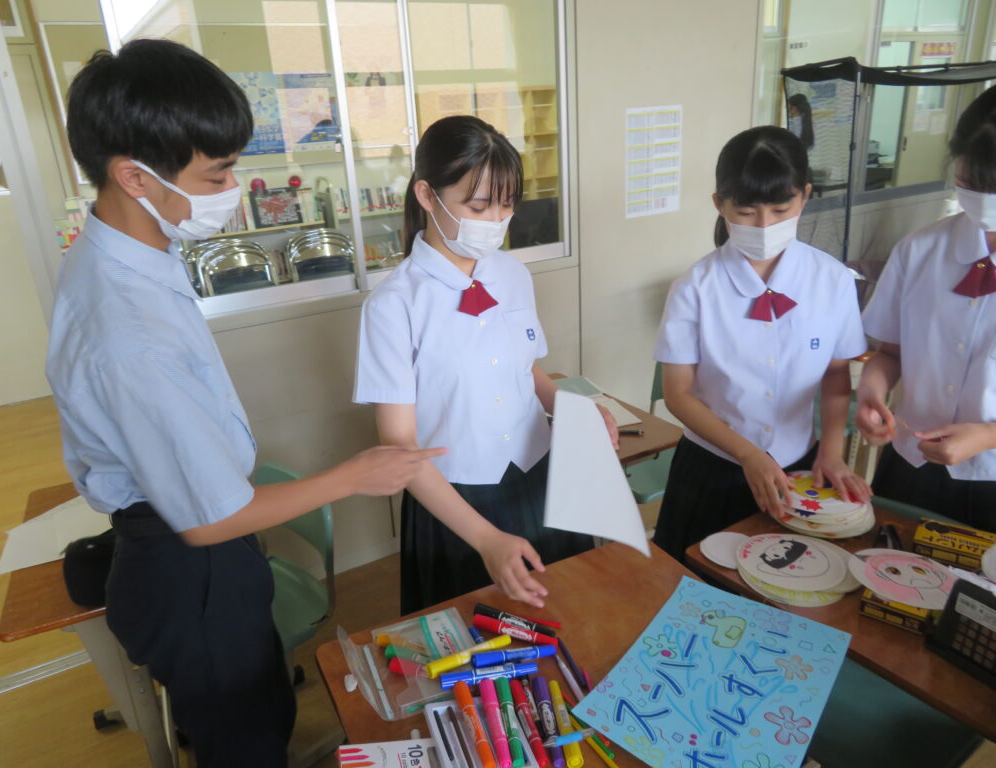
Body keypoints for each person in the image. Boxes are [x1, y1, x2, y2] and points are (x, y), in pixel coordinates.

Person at [48, 39, 442, 766]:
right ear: (134, 176)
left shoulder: (130, 250)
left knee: (258, 710)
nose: (232, 187)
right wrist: (356, 475)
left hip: (201, 544)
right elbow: (210, 519)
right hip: (190, 568)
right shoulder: (126, 331)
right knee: (246, 740)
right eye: (217, 173)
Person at [354, 115, 618, 613]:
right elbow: (399, 444)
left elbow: (527, 371)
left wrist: (574, 408)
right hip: (457, 503)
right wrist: (485, 538)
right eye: (477, 206)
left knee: (568, 615)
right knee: (481, 638)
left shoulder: (513, 275)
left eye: (507, 204)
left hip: (541, 476)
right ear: (427, 195)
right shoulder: (393, 305)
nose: (495, 220)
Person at [652, 126, 870, 562]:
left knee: (792, 579)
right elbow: (678, 394)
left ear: (805, 196)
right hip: (714, 466)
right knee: (696, 578)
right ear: (720, 204)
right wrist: (747, 454)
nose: (765, 224)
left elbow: (835, 375)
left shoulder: (832, 280)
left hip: (799, 466)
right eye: (747, 211)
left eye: (781, 209)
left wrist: (832, 452)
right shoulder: (695, 287)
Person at [856, 85, 996, 532]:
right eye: (970, 184)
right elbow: (890, 353)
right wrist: (871, 394)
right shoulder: (920, 250)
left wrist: (988, 436)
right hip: (911, 464)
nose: (985, 200)